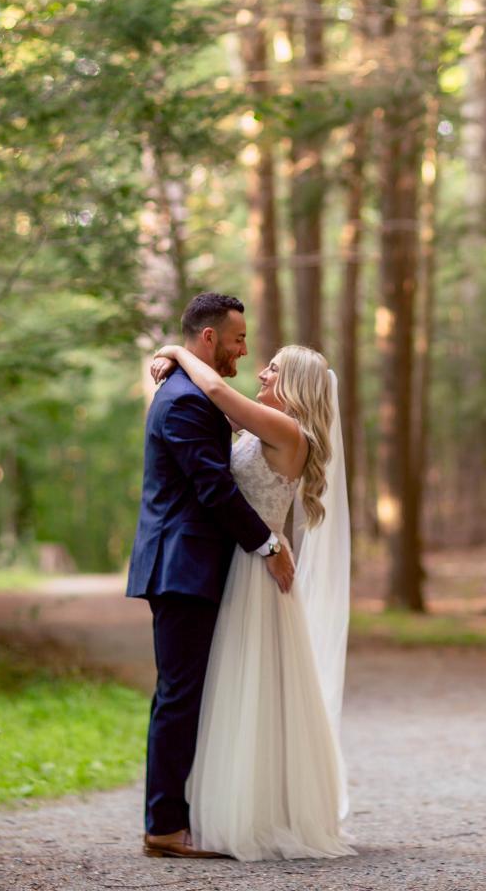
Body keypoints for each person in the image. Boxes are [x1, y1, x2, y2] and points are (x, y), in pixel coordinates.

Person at [148, 337, 354, 861]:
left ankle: (253, 814)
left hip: (258, 567)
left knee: (250, 686)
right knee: (233, 687)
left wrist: (176, 350)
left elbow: (217, 390)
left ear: (297, 386)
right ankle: (226, 809)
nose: (262, 373)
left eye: (275, 370)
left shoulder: (286, 429)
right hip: (243, 561)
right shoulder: (266, 427)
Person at [126, 292, 298, 859]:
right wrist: (267, 543)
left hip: (192, 564)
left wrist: (172, 353)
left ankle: (184, 817)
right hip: (182, 565)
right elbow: (213, 488)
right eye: (238, 339)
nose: (244, 350)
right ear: (209, 338)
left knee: (188, 693)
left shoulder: (190, 391)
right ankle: (164, 827)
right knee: (179, 696)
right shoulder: (185, 403)